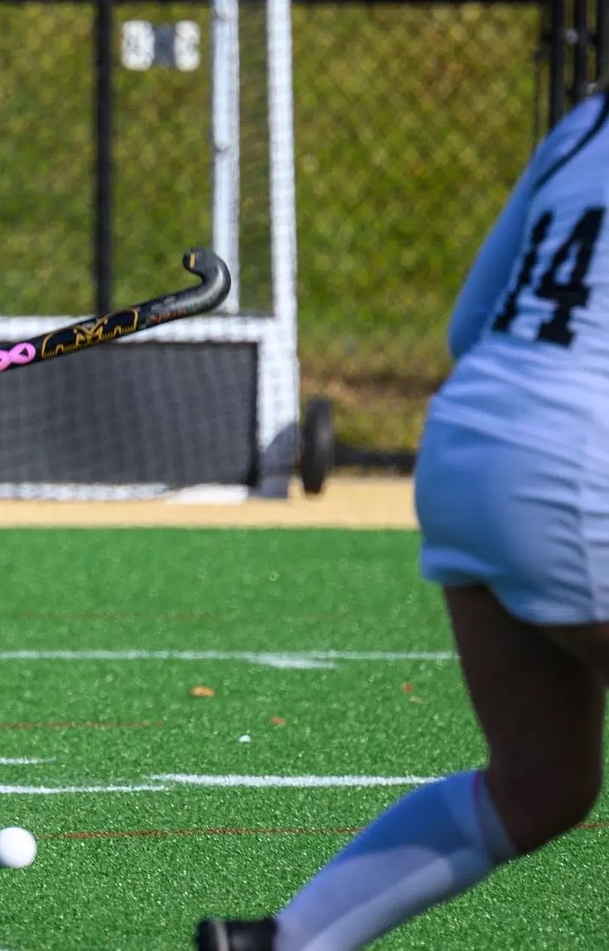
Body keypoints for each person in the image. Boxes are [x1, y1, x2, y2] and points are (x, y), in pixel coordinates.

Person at [196, 88, 609, 950]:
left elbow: (469, 326)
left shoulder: (587, 118)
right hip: (584, 458)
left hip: (473, 443)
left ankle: (288, 941)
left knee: (540, 786)